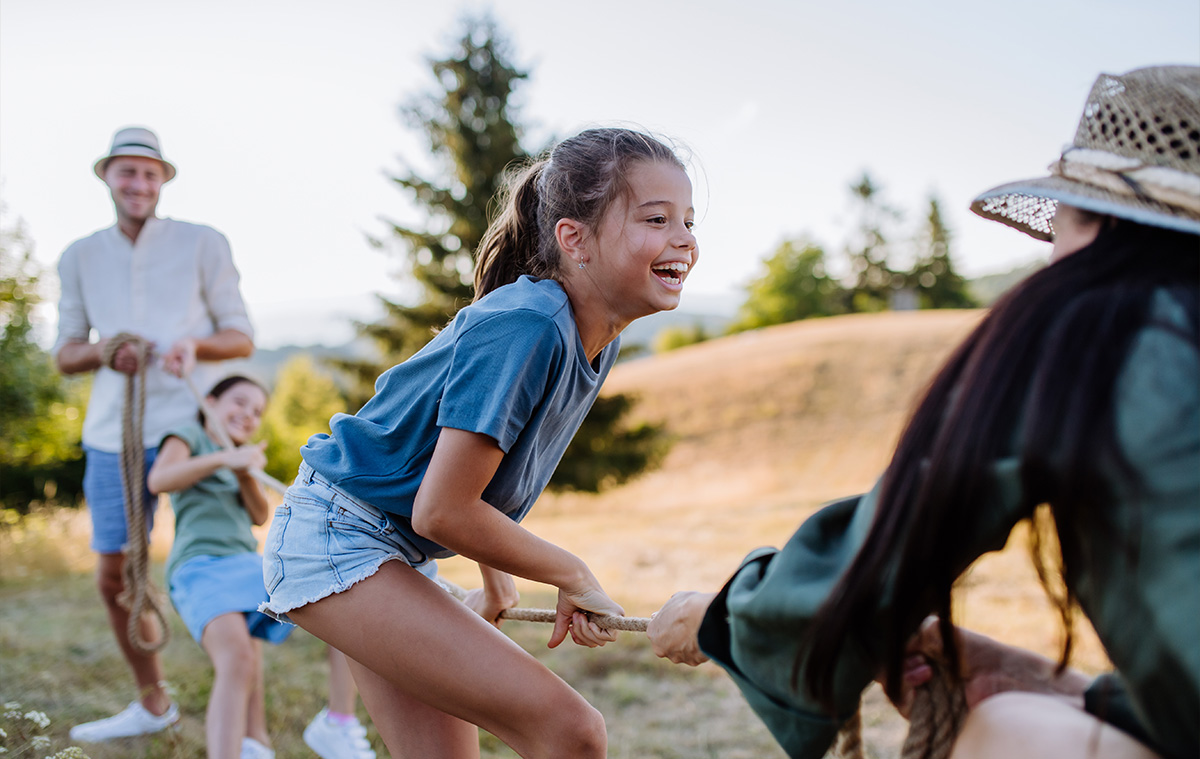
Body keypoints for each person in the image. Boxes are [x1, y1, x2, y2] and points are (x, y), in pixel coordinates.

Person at [647, 65, 1199, 759]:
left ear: (1095, 217)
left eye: (1059, 221)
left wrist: (719, 617)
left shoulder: (1103, 324)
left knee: (1008, 732)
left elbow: (896, 538)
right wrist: (1067, 687)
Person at [258, 127, 699, 759]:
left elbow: (476, 474)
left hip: (384, 546)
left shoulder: (590, 336)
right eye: (657, 219)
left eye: (688, 220)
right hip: (338, 539)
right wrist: (569, 573)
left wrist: (496, 583)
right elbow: (441, 509)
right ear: (573, 239)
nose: (684, 238)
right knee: (572, 733)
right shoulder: (529, 326)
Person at [53, 126, 256, 742]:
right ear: (108, 177)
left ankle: (250, 730)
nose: (138, 183)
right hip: (114, 432)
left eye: (148, 173)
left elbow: (240, 337)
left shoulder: (203, 243)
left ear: (162, 179)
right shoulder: (79, 255)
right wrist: (104, 353)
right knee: (114, 574)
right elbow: (64, 354)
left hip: (194, 426)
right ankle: (153, 701)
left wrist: (192, 345)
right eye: (126, 172)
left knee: (229, 559)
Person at [146, 375, 376, 759]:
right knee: (237, 658)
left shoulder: (243, 456)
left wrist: (242, 471)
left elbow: (257, 514)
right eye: (239, 402)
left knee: (345, 601)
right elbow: (159, 479)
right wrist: (223, 457)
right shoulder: (189, 435)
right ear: (209, 401)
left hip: (248, 564)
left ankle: (335, 720)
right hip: (200, 566)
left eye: (256, 412)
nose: (248, 415)